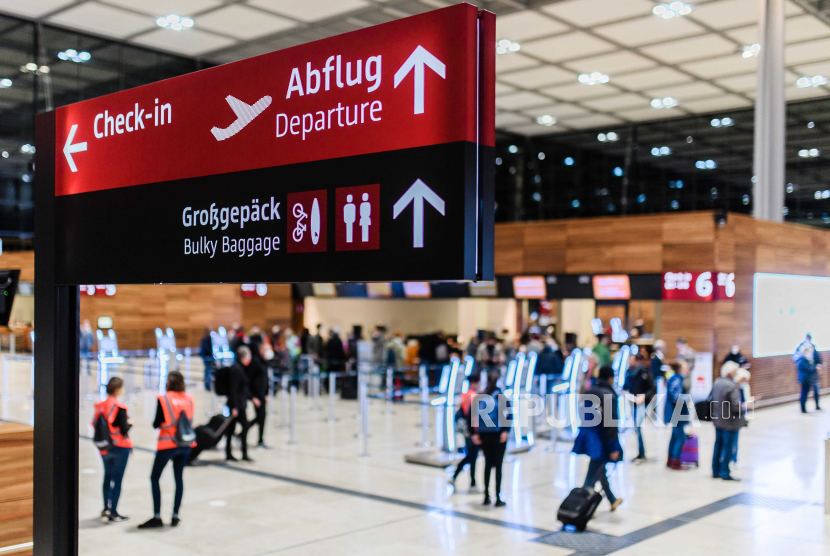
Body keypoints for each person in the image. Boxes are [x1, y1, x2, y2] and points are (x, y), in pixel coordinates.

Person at [138, 371, 194, 529]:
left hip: (167, 444)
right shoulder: (189, 398)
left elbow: (157, 423)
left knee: (155, 478)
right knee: (179, 479)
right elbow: (190, 421)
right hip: (184, 444)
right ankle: (175, 515)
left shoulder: (164, 399)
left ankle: (157, 516)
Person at [572, 365, 623, 511]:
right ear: (611, 378)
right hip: (600, 439)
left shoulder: (590, 391)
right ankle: (581, 506)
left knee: (599, 469)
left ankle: (612, 499)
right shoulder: (609, 395)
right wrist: (613, 446)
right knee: (593, 473)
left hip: (587, 436)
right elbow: (610, 423)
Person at [93, 377, 132, 523]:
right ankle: (114, 511)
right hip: (120, 447)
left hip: (104, 448)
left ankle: (106, 507)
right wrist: (130, 423)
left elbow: (94, 424)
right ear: (117, 389)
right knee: (117, 480)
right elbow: (124, 428)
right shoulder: (119, 407)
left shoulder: (99, 406)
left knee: (107, 476)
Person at [472, 370, 510, 507]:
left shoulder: (481, 395)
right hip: (498, 434)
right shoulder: (500, 396)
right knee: (498, 466)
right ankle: (498, 496)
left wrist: (474, 433)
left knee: (487, 464)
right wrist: (505, 431)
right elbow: (509, 414)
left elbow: (472, 414)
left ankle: (486, 496)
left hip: (484, 434)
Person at [711, 361, 745, 481]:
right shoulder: (731, 386)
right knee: (728, 448)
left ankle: (715, 470)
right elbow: (736, 406)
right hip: (730, 422)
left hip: (718, 420)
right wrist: (746, 406)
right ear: (731, 372)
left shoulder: (717, 382)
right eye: (735, 371)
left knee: (718, 446)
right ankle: (725, 472)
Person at [449, 373, 481, 493]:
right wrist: (476, 432)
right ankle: (470, 481)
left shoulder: (465, 394)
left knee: (471, 455)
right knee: (472, 455)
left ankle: (460, 478)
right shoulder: (473, 396)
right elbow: (472, 415)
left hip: (465, 428)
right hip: (471, 430)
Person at [623, 353, 655, 463]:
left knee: (638, 427)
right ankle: (640, 453)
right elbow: (625, 387)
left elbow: (652, 389)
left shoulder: (644, 372)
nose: (630, 362)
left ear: (637, 361)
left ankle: (641, 453)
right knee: (636, 428)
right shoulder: (628, 373)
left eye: (631, 360)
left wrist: (644, 397)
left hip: (642, 403)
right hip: (632, 403)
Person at [226, 346, 256, 462]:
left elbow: (243, 388)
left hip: (240, 404)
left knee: (234, 428)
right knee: (238, 427)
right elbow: (233, 389)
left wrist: (252, 398)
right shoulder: (236, 369)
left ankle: (237, 453)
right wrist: (234, 406)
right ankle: (239, 453)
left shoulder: (241, 368)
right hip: (237, 405)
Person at [665, 361, 691, 470]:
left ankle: (670, 459)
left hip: (674, 412)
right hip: (677, 413)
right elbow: (676, 398)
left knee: (674, 437)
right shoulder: (677, 380)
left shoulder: (674, 378)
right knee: (681, 438)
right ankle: (676, 461)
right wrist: (687, 398)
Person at [248, 343, 270, 449]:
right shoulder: (256, 362)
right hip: (257, 395)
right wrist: (253, 397)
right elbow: (250, 380)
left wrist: (266, 394)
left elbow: (265, 380)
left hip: (262, 394)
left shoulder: (265, 362)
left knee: (262, 418)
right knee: (260, 417)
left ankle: (260, 439)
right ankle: (244, 434)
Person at [794, 333, 822, 413]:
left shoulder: (811, 355)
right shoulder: (801, 359)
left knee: (815, 391)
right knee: (804, 393)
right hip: (805, 379)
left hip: (811, 378)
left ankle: (816, 405)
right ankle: (803, 409)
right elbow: (807, 368)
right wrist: (814, 367)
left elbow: (817, 359)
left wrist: (817, 365)